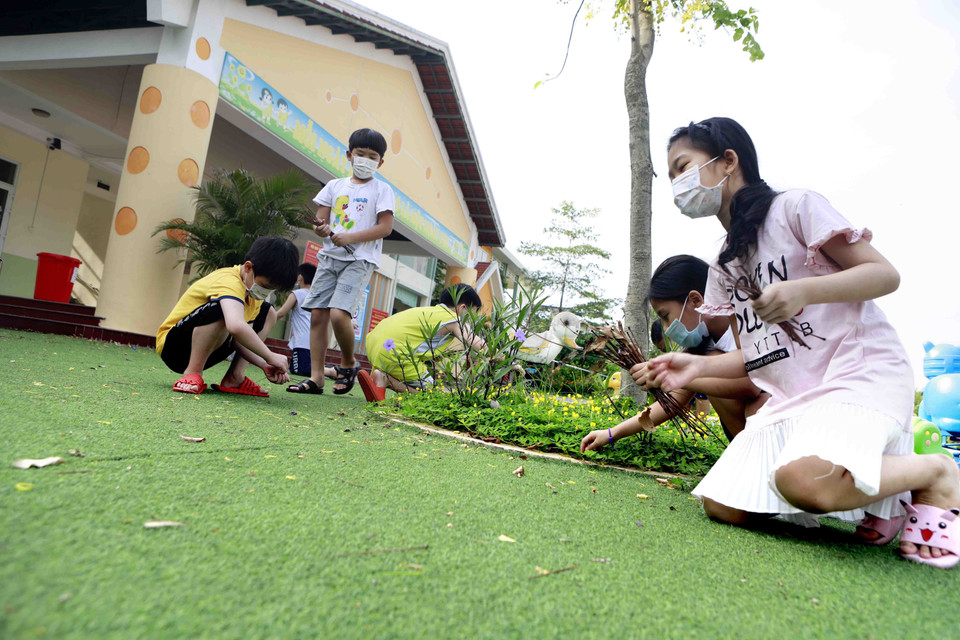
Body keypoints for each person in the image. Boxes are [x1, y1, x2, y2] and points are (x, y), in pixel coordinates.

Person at [639, 117, 959, 568]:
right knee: (723, 505)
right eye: (671, 175)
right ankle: (861, 491)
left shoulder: (795, 208)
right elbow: (758, 358)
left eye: (683, 166)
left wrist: (802, 290)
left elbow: (885, 275)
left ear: (728, 161)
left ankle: (936, 471)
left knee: (802, 480)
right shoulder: (722, 263)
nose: (677, 184)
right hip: (796, 397)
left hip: (858, 374)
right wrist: (692, 369)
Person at [581, 255, 767, 453]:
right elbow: (669, 404)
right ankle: (750, 458)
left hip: (781, 418)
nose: (668, 328)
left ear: (695, 300)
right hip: (745, 432)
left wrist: (678, 377)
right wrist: (611, 433)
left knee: (754, 400)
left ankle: (758, 461)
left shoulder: (744, 323)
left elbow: (753, 387)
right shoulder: (703, 347)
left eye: (665, 316)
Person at [287, 128, 395, 396]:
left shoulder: (382, 189)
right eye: (360, 154)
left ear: (380, 162)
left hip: (360, 260)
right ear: (349, 155)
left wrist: (351, 237)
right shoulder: (334, 186)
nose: (365, 160)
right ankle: (316, 378)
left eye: (372, 156)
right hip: (329, 259)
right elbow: (320, 222)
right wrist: (322, 230)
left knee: (338, 313)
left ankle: (348, 363)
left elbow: (385, 228)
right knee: (318, 316)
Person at [156, 236, 298, 397]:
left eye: (272, 289)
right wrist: (270, 356)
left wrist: (265, 364)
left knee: (269, 313)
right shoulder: (228, 281)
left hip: (211, 348)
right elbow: (235, 326)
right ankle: (193, 372)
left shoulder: (252, 295)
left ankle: (235, 378)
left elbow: (241, 341)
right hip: (173, 347)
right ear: (248, 267)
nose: (266, 292)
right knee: (222, 310)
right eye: (265, 286)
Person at [357, 284, 485, 401]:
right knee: (436, 396)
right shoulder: (454, 319)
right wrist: (499, 354)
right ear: (462, 308)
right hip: (397, 353)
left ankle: (382, 377)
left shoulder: (429, 311)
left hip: (374, 347)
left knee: (423, 379)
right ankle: (387, 380)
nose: (471, 321)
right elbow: (476, 343)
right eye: (472, 314)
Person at [275, 262, 317, 377]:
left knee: (300, 370)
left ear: (300, 277)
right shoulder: (316, 296)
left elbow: (281, 313)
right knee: (297, 368)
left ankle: (333, 371)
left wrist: (265, 318)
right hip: (315, 340)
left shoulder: (297, 294)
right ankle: (329, 371)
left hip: (302, 340)